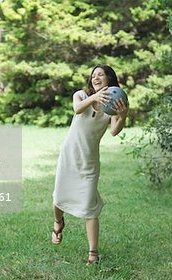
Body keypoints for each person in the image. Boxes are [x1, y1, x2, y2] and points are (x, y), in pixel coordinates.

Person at [51, 64, 128, 264]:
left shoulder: (111, 107)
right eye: (93, 75)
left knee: (89, 206)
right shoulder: (81, 96)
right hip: (70, 154)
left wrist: (123, 115)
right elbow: (77, 109)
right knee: (59, 198)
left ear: (109, 79)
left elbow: (114, 131)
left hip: (89, 160)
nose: (96, 77)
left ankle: (93, 254)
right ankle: (58, 223)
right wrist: (94, 97)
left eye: (101, 75)